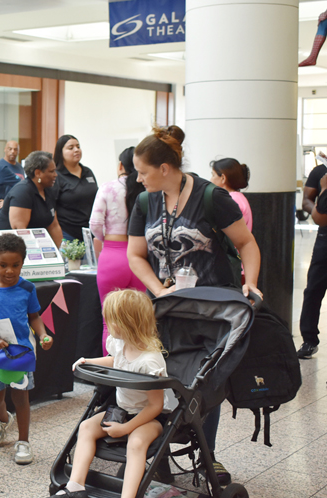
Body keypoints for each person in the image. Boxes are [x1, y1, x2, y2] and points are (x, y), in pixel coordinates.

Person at [127, 125, 262, 486]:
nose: (138, 179)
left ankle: (208, 455)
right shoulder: (145, 202)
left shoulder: (211, 197)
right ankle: (160, 447)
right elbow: (136, 255)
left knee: (205, 383)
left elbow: (247, 243)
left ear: (165, 168)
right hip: (168, 309)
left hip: (213, 309)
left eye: (143, 171)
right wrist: (159, 290)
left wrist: (250, 282)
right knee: (164, 375)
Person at [55, 290, 175, 498]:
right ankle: (75, 486)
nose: (107, 324)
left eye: (110, 320)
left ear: (124, 323)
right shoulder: (119, 343)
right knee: (86, 427)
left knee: (136, 442)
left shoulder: (150, 361)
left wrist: (127, 427)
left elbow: (155, 406)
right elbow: (115, 361)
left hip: (150, 417)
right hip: (122, 409)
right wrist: (89, 361)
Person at [0, 233, 53, 465]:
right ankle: (2, 419)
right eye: (3, 265)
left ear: (23, 262)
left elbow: (34, 316)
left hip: (21, 354)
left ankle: (24, 441)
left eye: (15, 265)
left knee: (21, 398)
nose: (9, 271)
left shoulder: (27, 288)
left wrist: (43, 334)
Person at [90, 146, 146, 354]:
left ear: (121, 165)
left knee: (110, 322)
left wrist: (109, 241)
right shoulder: (146, 189)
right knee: (140, 319)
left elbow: (95, 224)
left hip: (113, 256)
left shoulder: (108, 188)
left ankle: (111, 375)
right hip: (140, 257)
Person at [0, 151, 63, 247]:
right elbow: (19, 230)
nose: (55, 174)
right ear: (38, 173)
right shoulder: (22, 191)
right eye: (51, 171)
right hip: (8, 248)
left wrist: (61, 253)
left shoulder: (48, 191)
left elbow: (53, 226)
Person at [297, 152, 327, 359]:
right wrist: (319, 200)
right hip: (325, 237)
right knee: (314, 288)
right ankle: (309, 339)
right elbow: (307, 200)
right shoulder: (320, 172)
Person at [53, 135, 98, 242]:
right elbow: (51, 207)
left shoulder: (88, 172)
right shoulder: (56, 175)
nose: (76, 150)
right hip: (67, 233)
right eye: (71, 148)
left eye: (78, 146)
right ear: (61, 152)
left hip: (89, 232)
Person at [210, 158, 252, 232]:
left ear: (223, 178)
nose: (211, 180)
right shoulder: (239, 197)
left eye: (213, 175)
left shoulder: (230, 199)